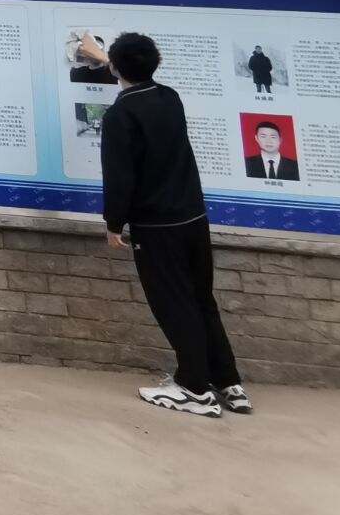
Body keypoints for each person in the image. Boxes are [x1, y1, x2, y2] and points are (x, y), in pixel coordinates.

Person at [99, 32, 249, 417]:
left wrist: (114, 223)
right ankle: (227, 381)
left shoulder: (119, 116)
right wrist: (111, 61)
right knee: (200, 299)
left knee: (173, 304)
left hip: (157, 226)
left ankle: (194, 388)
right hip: (193, 217)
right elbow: (136, 81)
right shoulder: (169, 97)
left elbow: (120, 176)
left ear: (115, 67)